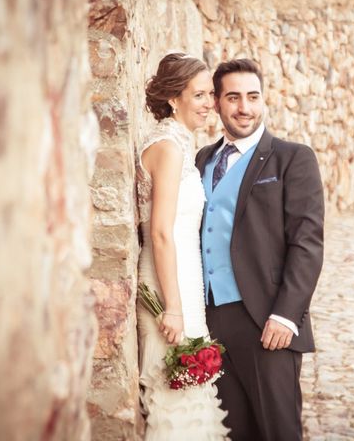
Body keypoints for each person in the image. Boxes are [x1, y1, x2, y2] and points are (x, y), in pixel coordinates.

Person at [195, 58, 325, 441]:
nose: (244, 108)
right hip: (211, 320)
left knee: (278, 431)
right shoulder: (203, 159)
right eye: (233, 97)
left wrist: (286, 315)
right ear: (217, 102)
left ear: (263, 100)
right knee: (233, 433)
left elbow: (307, 242)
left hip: (267, 321)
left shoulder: (292, 158)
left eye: (253, 97)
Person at [136, 52, 229, 440]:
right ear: (174, 98)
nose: (210, 104)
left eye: (211, 95)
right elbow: (160, 232)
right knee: (175, 396)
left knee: (190, 392)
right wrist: (172, 308)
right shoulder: (169, 148)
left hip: (184, 281)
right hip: (167, 285)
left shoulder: (177, 143)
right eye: (200, 95)